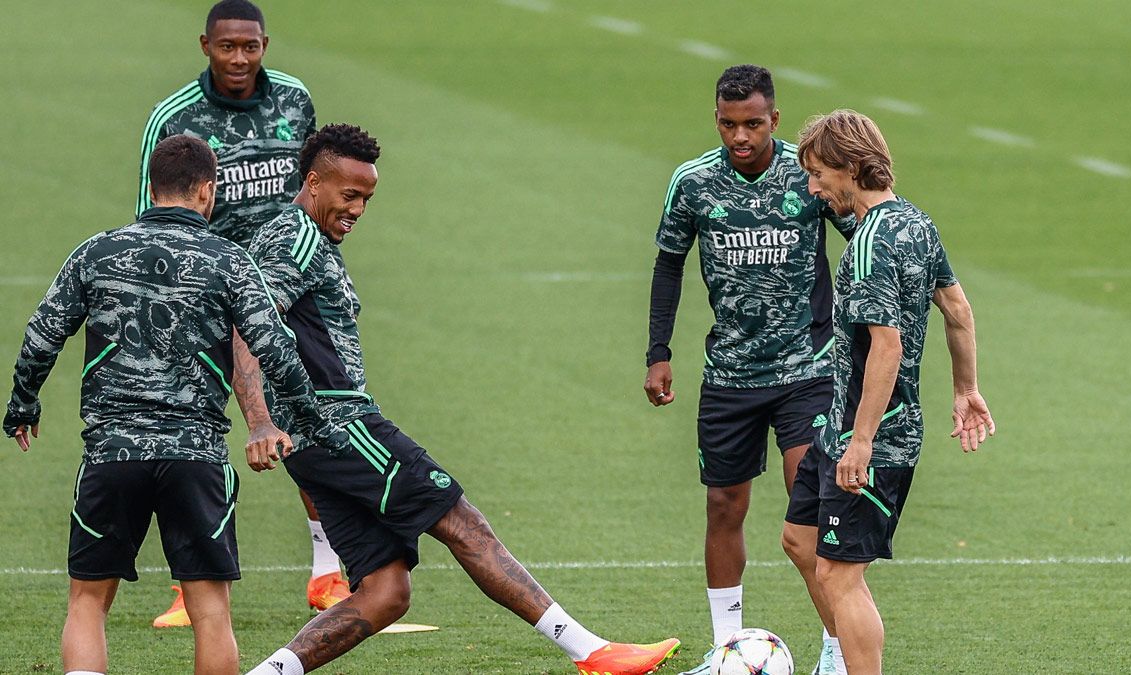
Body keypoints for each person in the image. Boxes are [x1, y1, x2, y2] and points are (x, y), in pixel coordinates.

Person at [237, 123, 680, 675]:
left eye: (367, 198)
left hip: (313, 440)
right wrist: (257, 421)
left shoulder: (306, 239)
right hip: (339, 426)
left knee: (385, 591)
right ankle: (591, 651)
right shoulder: (296, 237)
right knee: (462, 523)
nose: (358, 209)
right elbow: (246, 328)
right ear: (313, 182)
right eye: (348, 195)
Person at [3, 135, 349, 675]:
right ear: (208, 191)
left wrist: (23, 404)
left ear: (152, 186)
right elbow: (274, 347)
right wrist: (306, 419)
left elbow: (42, 335)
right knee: (210, 611)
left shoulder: (97, 251)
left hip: (112, 454)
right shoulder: (229, 259)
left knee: (88, 602)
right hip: (197, 458)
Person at [136, 0, 350, 627]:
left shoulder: (294, 99)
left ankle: (327, 570)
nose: (239, 58)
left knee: (312, 411)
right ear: (205, 45)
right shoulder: (173, 118)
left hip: (292, 285)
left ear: (265, 45)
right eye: (227, 47)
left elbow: (320, 182)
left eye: (250, 47)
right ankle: (189, 581)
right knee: (192, 427)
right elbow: (150, 209)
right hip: (207, 283)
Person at [642, 64, 855, 674]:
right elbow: (668, 265)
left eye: (753, 124)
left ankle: (839, 648)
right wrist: (659, 352)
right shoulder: (693, 183)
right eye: (730, 124)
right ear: (716, 119)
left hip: (806, 370)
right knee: (724, 506)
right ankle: (725, 647)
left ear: (775, 120)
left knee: (809, 505)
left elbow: (859, 233)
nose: (741, 136)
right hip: (730, 376)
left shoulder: (806, 174)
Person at [782, 109, 996, 675]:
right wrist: (966, 388)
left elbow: (888, 346)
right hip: (838, 425)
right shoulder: (915, 222)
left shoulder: (873, 244)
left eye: (818, 174)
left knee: (839, 575)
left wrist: (862, 441)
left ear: (851, 167)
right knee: (800, 541)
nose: (813, 188)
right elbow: (956, 308)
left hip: (869, 436)